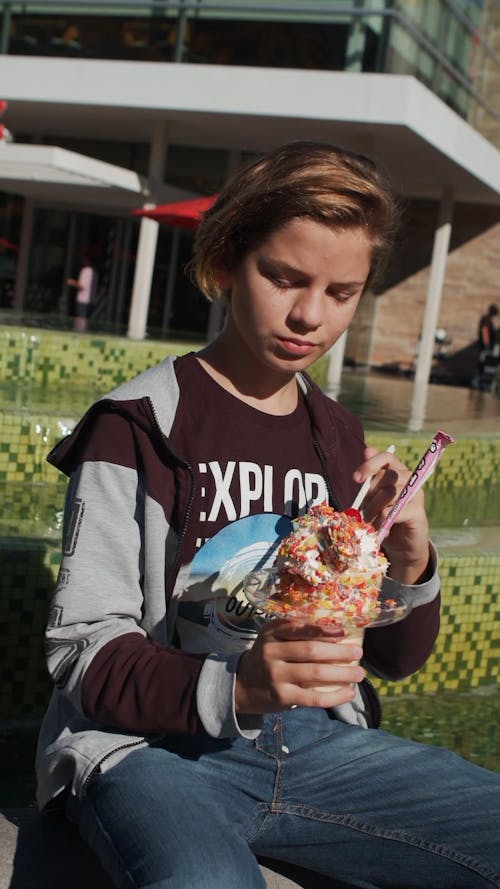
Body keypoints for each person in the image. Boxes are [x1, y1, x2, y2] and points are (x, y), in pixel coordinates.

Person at [36, 142, 500, 889]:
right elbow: (83, 651)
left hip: (318, 747)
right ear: (225, 262)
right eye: (284, 277)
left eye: (342, 291)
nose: (311, 314)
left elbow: (396, 655)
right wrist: (240, 688)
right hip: (153, 753)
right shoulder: (137, 426)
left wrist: (410, 558)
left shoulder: (339, 436)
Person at [67, 255, 97, 332]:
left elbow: (82, 286)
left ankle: (80, 334)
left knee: (81, 321)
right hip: (84, 300)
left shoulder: (88, 271)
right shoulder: (90, 271)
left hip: (84, 300)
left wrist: (72, 282)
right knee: (80, 320)